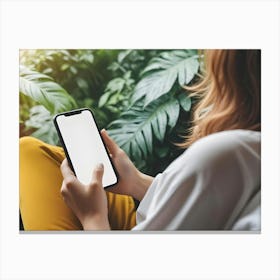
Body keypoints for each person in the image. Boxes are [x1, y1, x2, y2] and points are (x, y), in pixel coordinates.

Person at [19, 49, 261, 231]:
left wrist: (92, 216)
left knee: (28, 153)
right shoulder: (253, 151)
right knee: (31, 151)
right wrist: (137, 183)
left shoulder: (231, 152)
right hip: (151, 212)